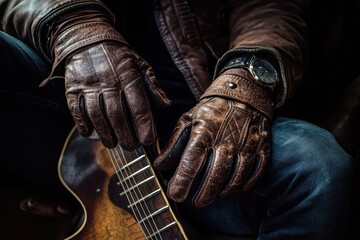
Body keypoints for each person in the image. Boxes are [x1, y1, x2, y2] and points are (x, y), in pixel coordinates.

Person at [0, 0, 355, 239]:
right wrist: (76, 30)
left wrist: (243, 81)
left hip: (196, 126)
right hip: (65, 103)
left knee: (318, 166)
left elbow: (271, 9)